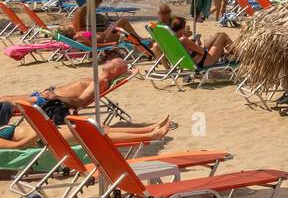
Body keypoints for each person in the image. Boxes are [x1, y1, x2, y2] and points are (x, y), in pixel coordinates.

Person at [0, 100, 171, 150]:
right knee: (94, 135)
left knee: (100, 127)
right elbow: (18, 146)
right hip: (44, 138)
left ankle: (148, 128)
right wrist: (39, 131)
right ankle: (151, 136)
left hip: (47, 130)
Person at [3, 58, 132, 111]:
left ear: (114, 70)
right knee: (4, 98)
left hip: (46, 101)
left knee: (4, 102)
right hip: (42, 96)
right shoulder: (97, 79)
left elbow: (80, 102)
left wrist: (55, 97)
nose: (107, 60)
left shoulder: (99, 83)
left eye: (111, 61)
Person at [169, 16, 233, 67]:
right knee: (222, 35)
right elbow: (202, 51)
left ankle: (232, 54)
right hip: (206, 61)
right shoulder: (184, 39)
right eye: (185, 27)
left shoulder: (174, 40)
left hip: (198, 60)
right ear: (182, 28)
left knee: (218, 34)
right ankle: (239, 54)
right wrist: (197, 41)